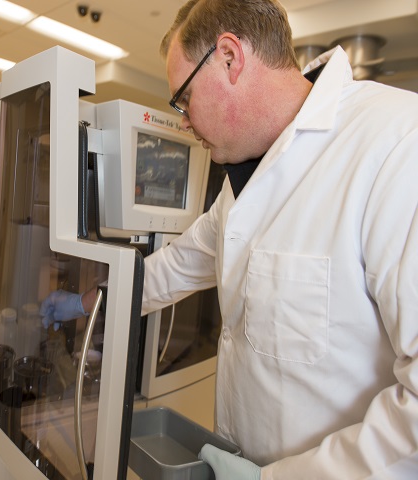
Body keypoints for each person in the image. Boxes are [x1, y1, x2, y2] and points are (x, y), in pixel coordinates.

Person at [41, 0, 418, 477]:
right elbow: (175, 268)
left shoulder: (396, 145)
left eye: (183, 98)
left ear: (229, 57)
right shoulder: (243, 180)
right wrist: (88, 302)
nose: (184, 120)